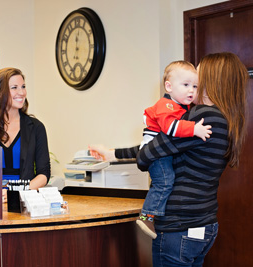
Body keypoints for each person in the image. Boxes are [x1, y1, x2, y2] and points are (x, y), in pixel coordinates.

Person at [90, 52, 248, 266]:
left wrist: (144, 156)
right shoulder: (223, 119)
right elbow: (163, 145)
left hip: (179, 226)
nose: (194, 84)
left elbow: (148, 153)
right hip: (204, 224)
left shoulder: (203, 116)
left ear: (211, 79)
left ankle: (147, 218)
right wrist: (112, 154)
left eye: (198, 76)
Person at [100, 61, 213, 239]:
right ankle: (147, 217)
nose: (191, 90)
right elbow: (170, 128)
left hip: (159, 153)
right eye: (185, 85)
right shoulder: (166, 105)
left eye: (195, 86)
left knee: (164, 182)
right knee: (165, 183)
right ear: (169, 86)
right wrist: (195, 129)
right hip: (156, 156)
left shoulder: (182, 106)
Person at [0, 67, 51, 190]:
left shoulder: (36, 127)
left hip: (23, 198)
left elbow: (44, 173)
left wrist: (16, 192)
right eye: (14, 87)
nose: (22, 92)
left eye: (23, 87)